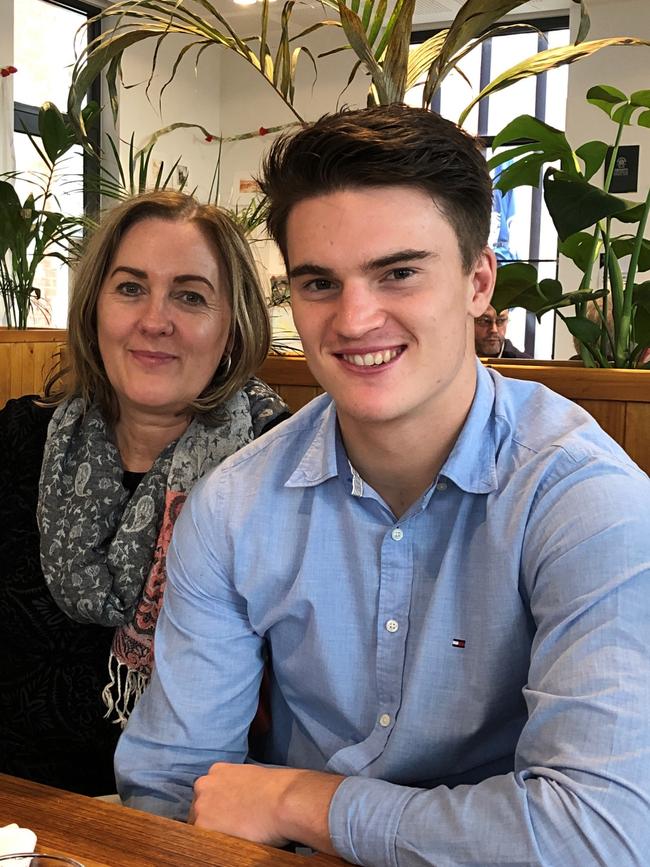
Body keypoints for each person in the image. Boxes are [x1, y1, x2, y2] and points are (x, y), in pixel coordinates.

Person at [115, 107, 650, 865]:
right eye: (320, 282)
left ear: (476, 282)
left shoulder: (588, 503)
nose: (355, 317)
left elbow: (602, 835)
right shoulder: (235, 505)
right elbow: (172, 788)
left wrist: (302, 801)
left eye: (398, 272)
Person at [0, 190, 289, 796]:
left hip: (180, 813)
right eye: (130, 288)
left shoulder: (277, 469)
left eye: (190, 296)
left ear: (233, 328)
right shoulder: (18, 439)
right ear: (94, 310)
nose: (154, 320)